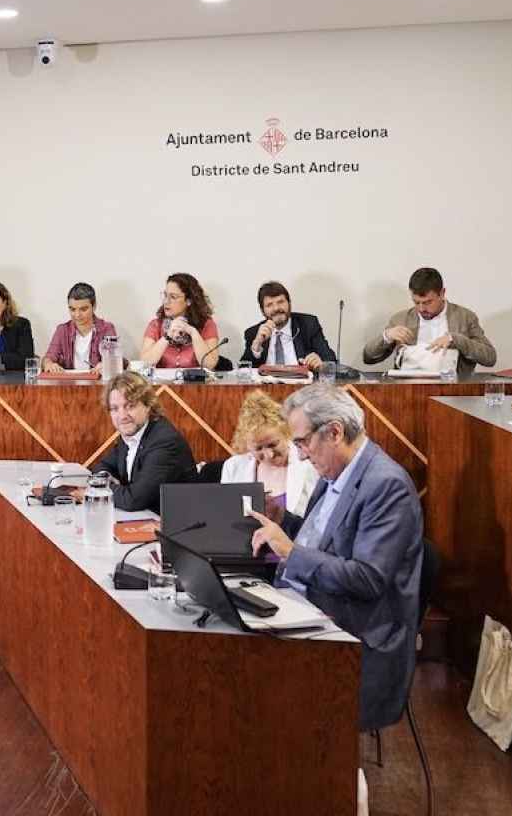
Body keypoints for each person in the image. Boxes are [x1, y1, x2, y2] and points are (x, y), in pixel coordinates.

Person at [245, 384, 423, 732]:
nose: (299, 455)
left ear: (335, 432)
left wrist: (288, 551)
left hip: (355, 636)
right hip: (308, 607)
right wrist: (284, 521)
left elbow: (367, 579)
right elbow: (325, 544)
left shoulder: (387, 486)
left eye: (302, 442)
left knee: (244, 680)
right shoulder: (336, 471)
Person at [91, 372, 197, 512]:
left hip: (175, 527)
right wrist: (106, 480)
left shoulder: (164, 442)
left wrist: (101, 487)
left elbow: (133, 500)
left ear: (148, 406)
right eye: (115, 409)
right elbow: (103, 466)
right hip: (144, 520)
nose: (122, 416)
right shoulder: (130, 433)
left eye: (130, 406)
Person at [362, 267, 496, 377]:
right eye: (416, 302)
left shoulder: (465, 317)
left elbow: (490, 358)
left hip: (454, 392)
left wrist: (456, 340)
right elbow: (368, 358)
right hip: (407, 391)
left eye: (427, 302)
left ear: (442, 293)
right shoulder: (400, 319)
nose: (421, 308)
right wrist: (387, 336)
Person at [215, 391, 319, 515]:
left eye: (273, 444)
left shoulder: (310, 463)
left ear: (286, 433)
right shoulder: (233, 467)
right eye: (258, 449)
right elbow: (227, 517)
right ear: (247, 446)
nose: (269, 454)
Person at [239, 281, 337, 371]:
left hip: (302, 387)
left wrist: (321, 363)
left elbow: (331, 360)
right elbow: (243, 370)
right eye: (269, 305)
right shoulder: (253, 333)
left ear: (289, 303)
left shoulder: (308, 325)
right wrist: (256, 346)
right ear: (262, 310)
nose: (276, 308)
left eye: (280, 302)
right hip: (266, 388)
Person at [139, 273, 221, 369]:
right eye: (165, 295)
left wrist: (193, 332)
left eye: (173, 297)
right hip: (163, 384)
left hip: (196, 384)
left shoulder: (207, 324)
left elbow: (210, 364)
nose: (166, 301)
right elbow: (144, 364)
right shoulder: (155, 325)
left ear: (189, 301)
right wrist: (167, 336)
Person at [41, 282, 119, 373]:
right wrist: (48, 364)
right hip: (69, 385)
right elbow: (48, 357)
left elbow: (114, 359)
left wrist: (106, 364)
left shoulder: (106, 328)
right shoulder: (62, 330)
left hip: (97, 383)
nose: (77, 315)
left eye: (83, 309)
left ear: (94, 307)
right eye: (72, 309)